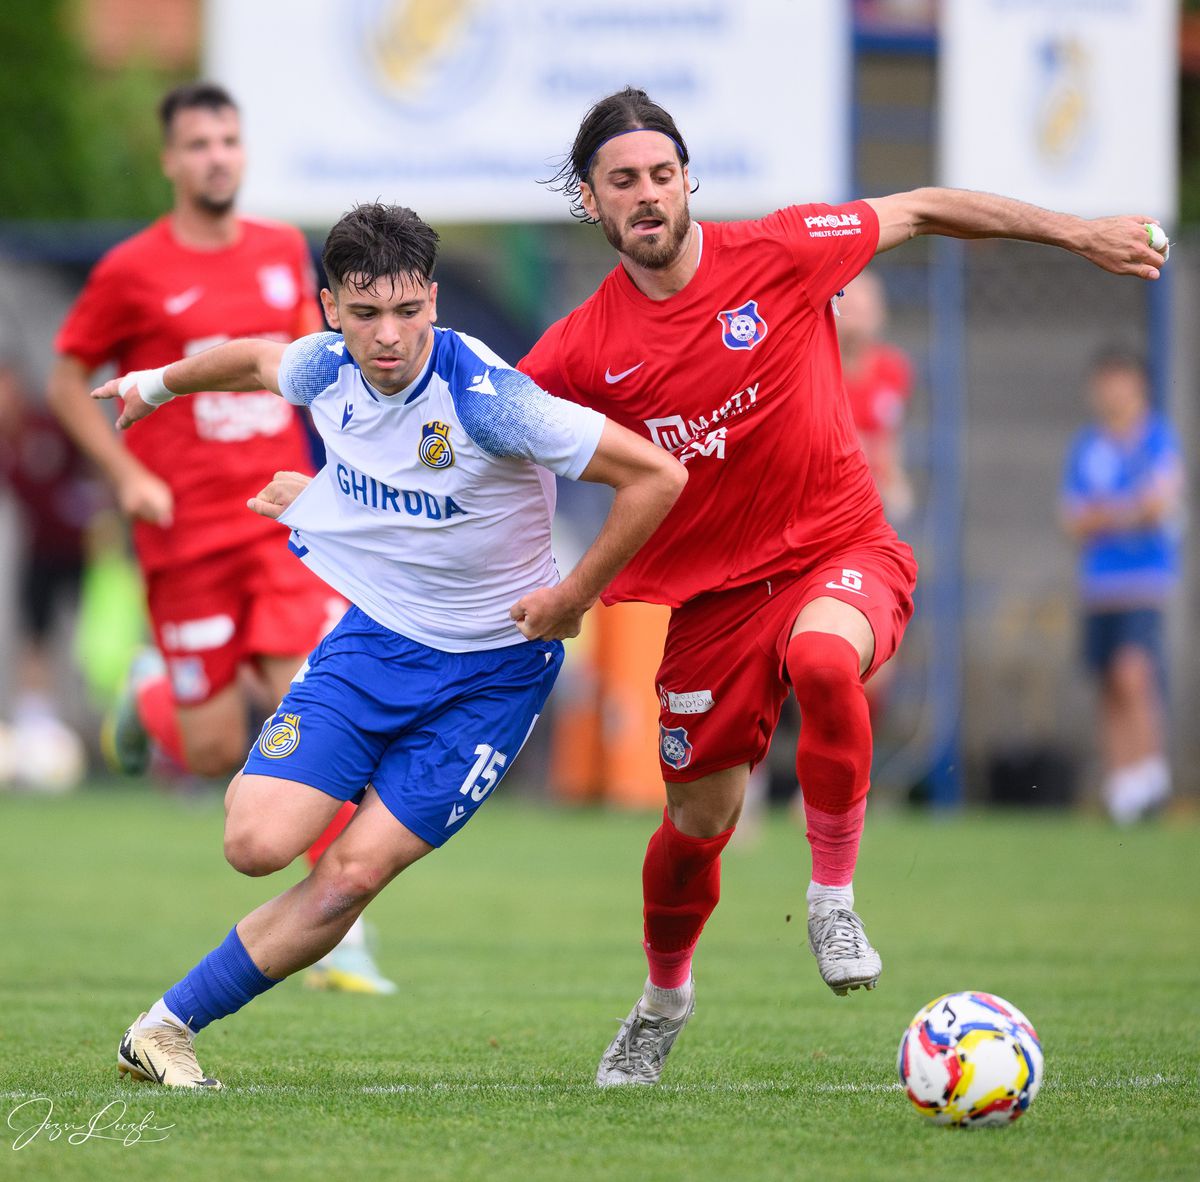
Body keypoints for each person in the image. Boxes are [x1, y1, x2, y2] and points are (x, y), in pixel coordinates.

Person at [516, 86, 1168, 1086]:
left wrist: (1078, 233)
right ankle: (663, 1000)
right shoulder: (579, 348)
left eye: (659, 174)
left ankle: (832, 899)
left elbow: (924, 206)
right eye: (621, 183)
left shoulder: (780, 250)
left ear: (688, 179)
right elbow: (486, 431)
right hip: (712, 604)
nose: (646, 195)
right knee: (695, 827)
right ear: (591, 203)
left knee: (827, 659)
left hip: (839, 545)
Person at [95, 201, 685, 1089]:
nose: (389, 337)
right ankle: (154, 706)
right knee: (254, 843)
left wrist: (572, 596)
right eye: (365, 314)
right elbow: (256, 357)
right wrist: (156, 384)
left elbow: (656, 476)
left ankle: (166, 1028)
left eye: (409, 313)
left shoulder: (490, 402)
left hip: (494, 676)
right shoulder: (320, 366)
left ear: (435, 304)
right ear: (330, 308)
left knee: (347, 877)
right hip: (374, 642)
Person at [47, 82, 390, 993]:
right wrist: (125, 475)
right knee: (208, 754)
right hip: (182, 536)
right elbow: (64, 381)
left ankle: (343, 935)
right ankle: (155, 700)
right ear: (171, 159)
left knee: (317, 712)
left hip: (280, 521)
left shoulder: (284, 251)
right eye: (198, 143)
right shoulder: (130, 270)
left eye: (229, 141)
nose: (216, 158)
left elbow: (313, 373)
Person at [1059, 349, 1183, 824]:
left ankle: (1150, 776)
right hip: (1099, 582)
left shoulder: (1156, 437)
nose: (1112, 391)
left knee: (1135, 674)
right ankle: (1121, 785)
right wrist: (1126, 512)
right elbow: (1073, 519)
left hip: (1143, 580)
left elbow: (1160, 504)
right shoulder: (1087, 444)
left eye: (1121, 381)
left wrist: (1106, 514)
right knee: (1108, 682)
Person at [836, 269, 915, 524]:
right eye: (849, 310)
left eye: (864, 311)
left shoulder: (893, 367)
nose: (857, 322)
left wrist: (893, 479)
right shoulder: (816, 368)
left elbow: (889, 436)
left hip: (871, 488)